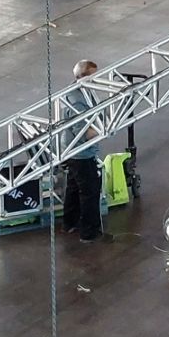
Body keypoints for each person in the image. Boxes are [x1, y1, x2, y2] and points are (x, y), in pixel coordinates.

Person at [59, 59, 106, 243]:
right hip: (80, 153)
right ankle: (89, 232)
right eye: (94, 76)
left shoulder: (79, 93)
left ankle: (69, 223)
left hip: (72, 151)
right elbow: (83, 134)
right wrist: (105, 128)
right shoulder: (77, 102)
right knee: (89, 191)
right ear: (84, 77)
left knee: (73, 187)